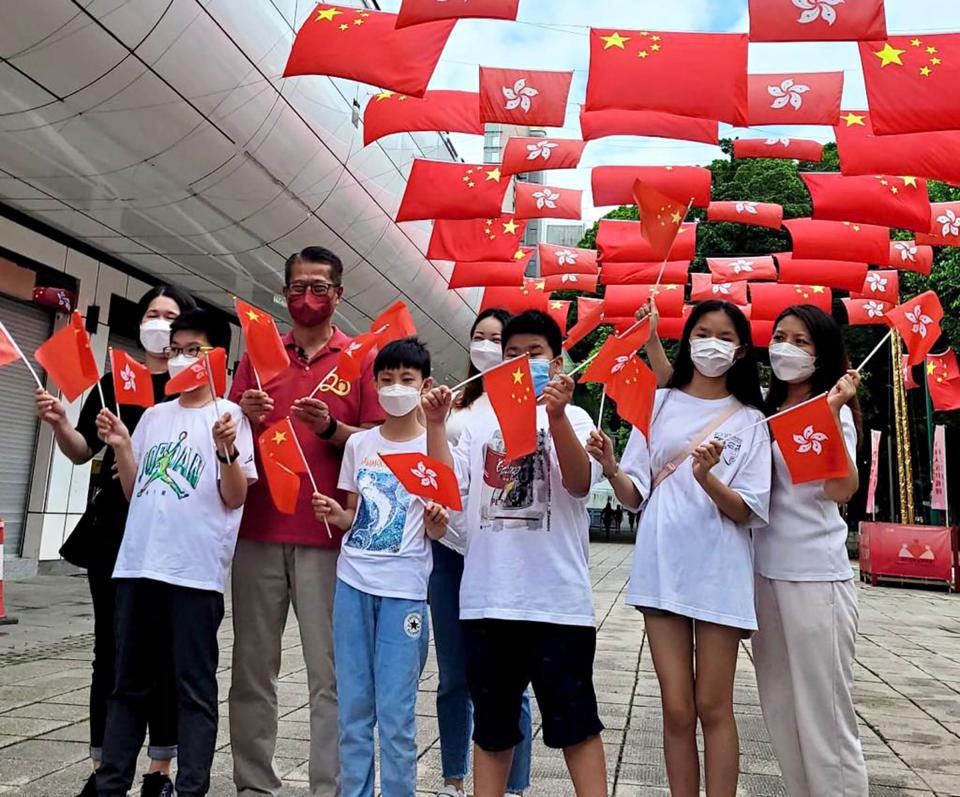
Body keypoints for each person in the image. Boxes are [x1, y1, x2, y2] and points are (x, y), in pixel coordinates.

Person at [587, 300, 771, 797]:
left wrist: (707, 478)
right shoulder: (660, 403)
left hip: (720, 569)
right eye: (704, 332)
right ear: (687, 338)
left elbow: (747, 509)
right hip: (662, 564)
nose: (713, 343)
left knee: (714, 705)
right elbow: (633, 494)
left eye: (726, 336)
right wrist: (609, 465)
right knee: (675, 708)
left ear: (740, 349)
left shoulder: (752, 418)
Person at [423, 310, 609, 797]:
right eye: (511, 355)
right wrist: (437, 425)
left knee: (578, 726)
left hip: (558, 604)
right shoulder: (477, 417)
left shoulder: (576, 415)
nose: (522, 363)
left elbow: (578, 481)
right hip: (488, 599)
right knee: (492, 728)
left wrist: (555, 416)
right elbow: (447, 489)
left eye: (534, 354)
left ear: (557, 358)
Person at [229, 247, 383, 797]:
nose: (307, 298)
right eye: (297, 287)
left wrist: (329, 431)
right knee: (252, 670)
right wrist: (240, 417)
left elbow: (377, 446)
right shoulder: (259, 352)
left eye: (319, 287)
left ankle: (331, 786)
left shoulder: (359, 358)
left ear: (339, 294)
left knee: (330, 677)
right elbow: (226, 436)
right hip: (258, 529)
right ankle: (253, 785)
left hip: (328, 536)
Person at [35, 284, 195, 797]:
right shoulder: (112, 382)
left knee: (167, 651)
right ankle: (106, 765)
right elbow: (82, 452)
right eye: (153, 313)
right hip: (112, 536)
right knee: (111, 650)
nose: (161, 323)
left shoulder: (194, 387)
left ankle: (160, 770)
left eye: (171, 316)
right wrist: (61, 424)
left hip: (170, 538)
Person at [93, 309, 257, 797]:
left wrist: (226, 449)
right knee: (127, 685)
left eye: (195, 350)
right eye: (177, 348)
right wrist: (123, 445)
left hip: (194, 575)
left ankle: (190, 788)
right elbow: (132, 490)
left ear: (218, 359)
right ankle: (111, 783)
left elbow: (235, 496)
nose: (183, 358)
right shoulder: (154, 415)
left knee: (194, 689)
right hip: (137, 567)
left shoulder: (230, 417)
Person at [312, 337, 449, 797]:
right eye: (386, 379)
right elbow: (356, 516)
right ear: (374, 384)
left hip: (404, 592)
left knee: (395, 715)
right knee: (353, 710)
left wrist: (434, 522)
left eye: (406, 380)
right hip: (352, 584)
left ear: (424, 384)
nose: (395, 388)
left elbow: (440, 520)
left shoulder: (433, 442)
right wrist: (337, 515)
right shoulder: (360, 445)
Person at [751, 305, 868, 797]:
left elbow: (843, 489)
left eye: (802, 341)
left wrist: (835, 411)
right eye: (781, 336)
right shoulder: (758, 408)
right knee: (779, 710)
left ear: (822, 355)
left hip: (815, 577)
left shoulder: (827, 411)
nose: (788, 348)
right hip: (762, 577)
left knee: (824, 716)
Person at [430, 308, 533, 797]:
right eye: (481, 337)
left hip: (506, 554)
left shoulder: (529, 406)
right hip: (451, 551)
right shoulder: (456, 404)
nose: (490, 346)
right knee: (454, 675)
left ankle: (513, 786)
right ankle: (453, 778)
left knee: (513, 681)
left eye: (500, 339)